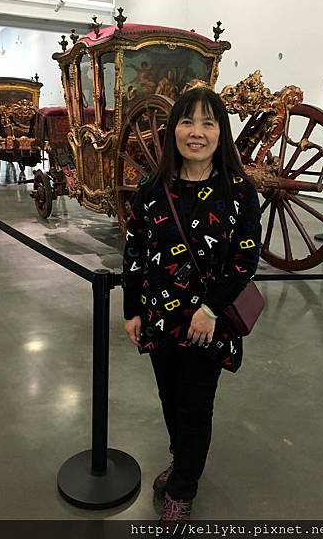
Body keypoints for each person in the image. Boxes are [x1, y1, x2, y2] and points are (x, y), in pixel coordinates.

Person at [122, 85, 262, 521]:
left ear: (221, 132)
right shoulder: (152, 188)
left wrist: (210, 309)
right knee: (169, 398)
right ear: (174, 130)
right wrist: (131, 309)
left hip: (207, 324)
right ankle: (181, 460)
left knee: (196, 405)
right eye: (187, 121)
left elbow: (245, 259)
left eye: (207, 122)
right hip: (159, 317)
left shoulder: (239, 192)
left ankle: (182, 489)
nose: (196, 132)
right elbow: (135, 251)